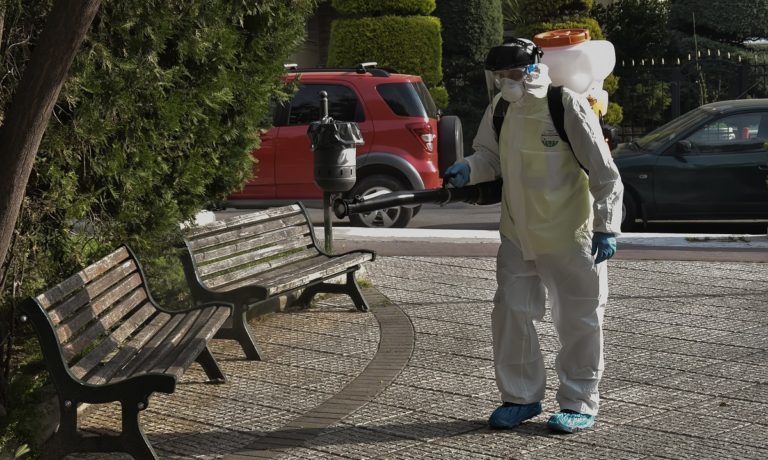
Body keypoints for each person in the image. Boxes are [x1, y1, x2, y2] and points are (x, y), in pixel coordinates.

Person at [444, 38, 623, 433]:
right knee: (511, 314)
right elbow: (489, 156)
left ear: (531, 69)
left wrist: (605, 226)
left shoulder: (564, 104)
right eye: (499, 76)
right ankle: (520, 397)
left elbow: (604, 172)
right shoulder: (500, 108)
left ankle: (579, 402)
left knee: (579, 319)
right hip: (517, 234)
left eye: (511, 73)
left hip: (569, 234)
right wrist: (469, 168)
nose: (505, 82)